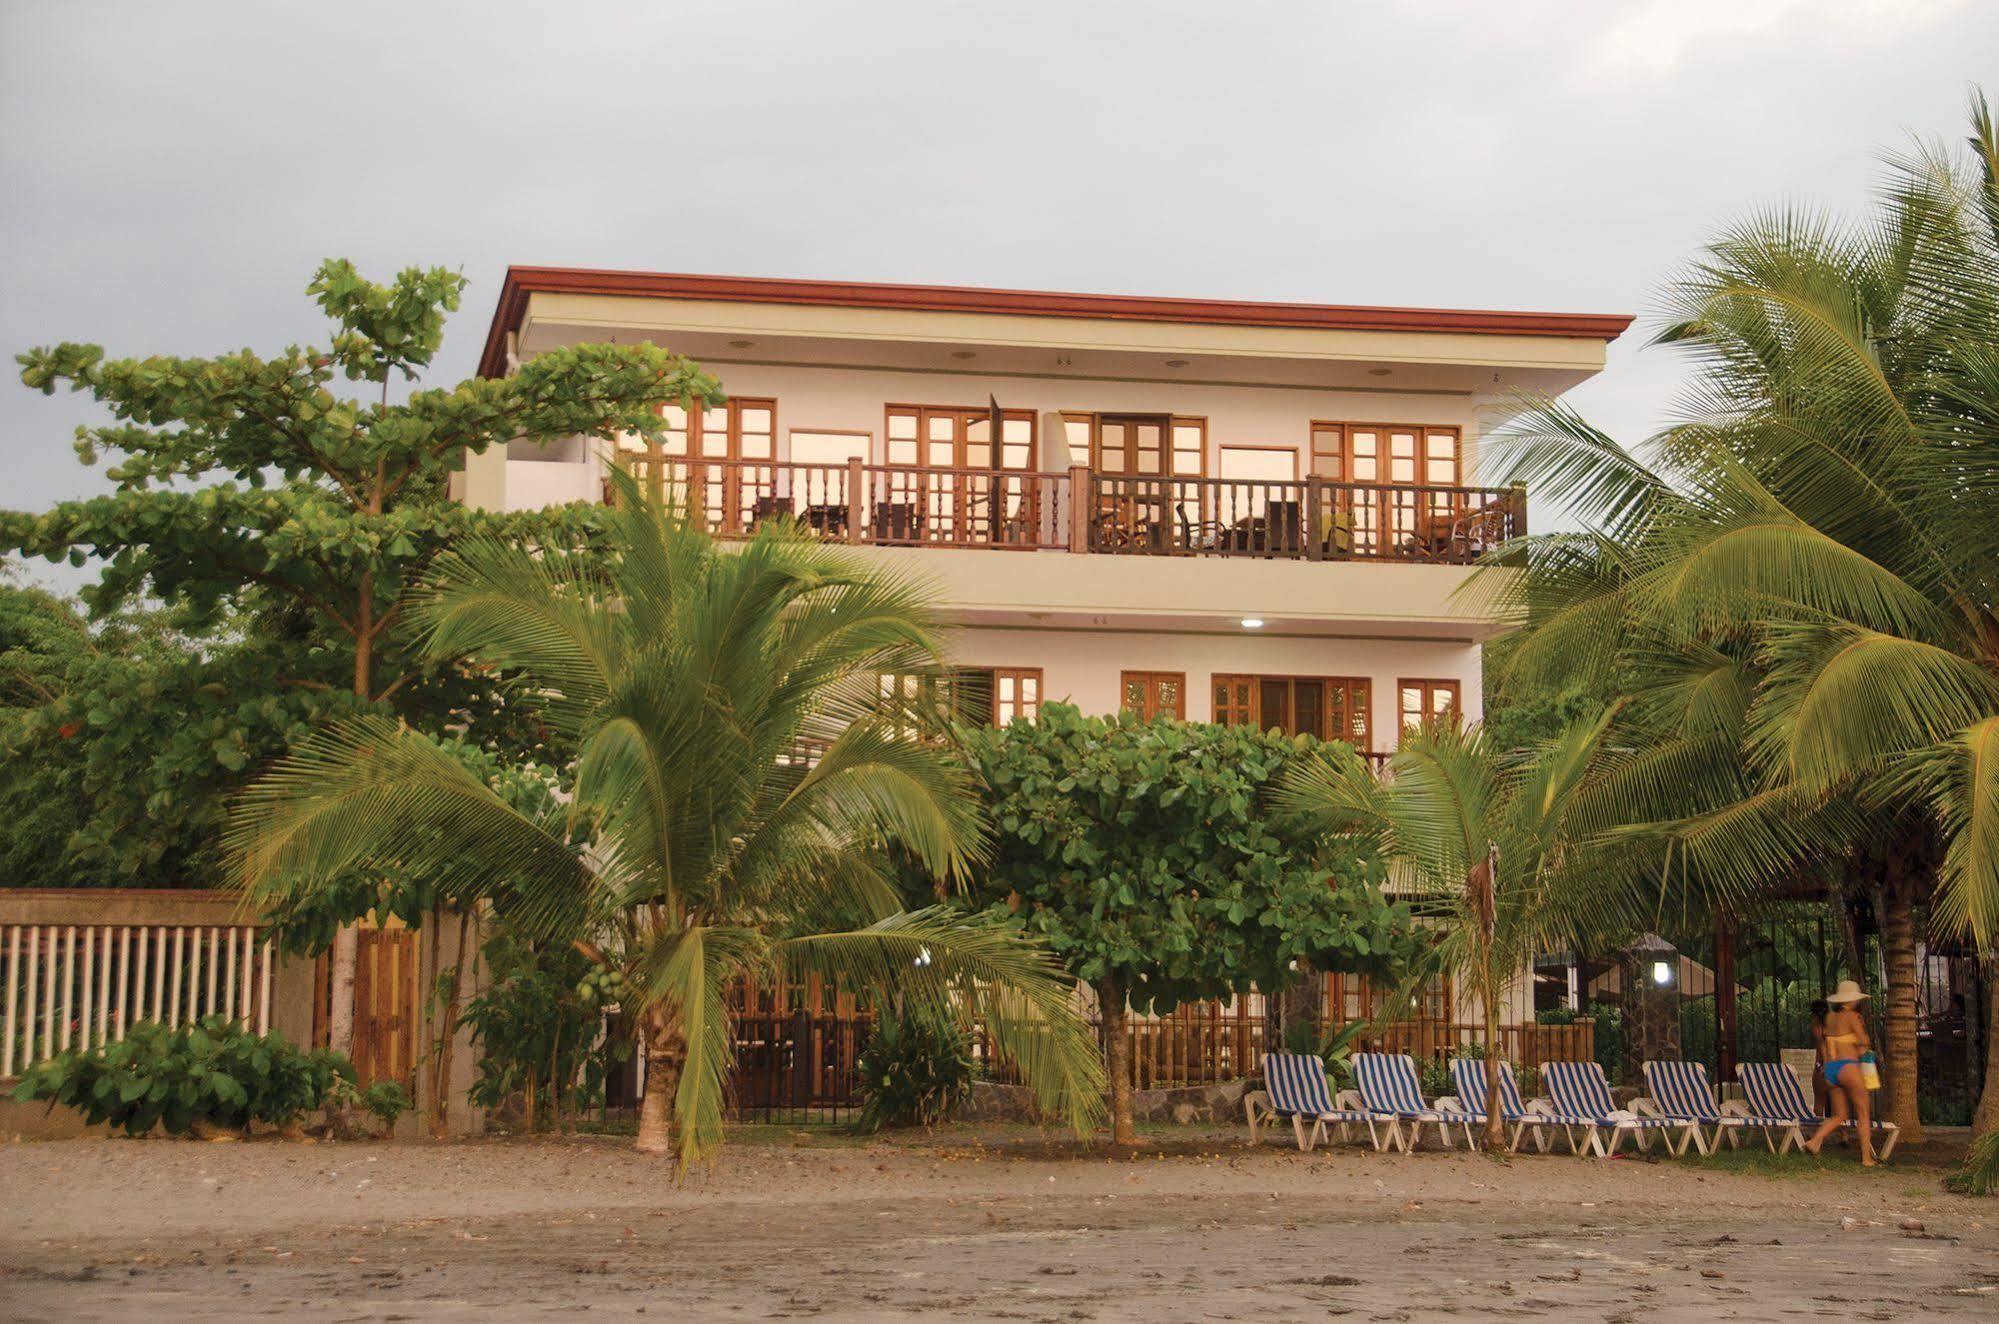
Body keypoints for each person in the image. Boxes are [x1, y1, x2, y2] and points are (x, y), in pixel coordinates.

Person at [1804, 980, 1879, 1165]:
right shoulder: (1852, 1016)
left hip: (1831, 1070)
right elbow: (1863, 1041)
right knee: (1863, 1112)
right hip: (1848, 1067)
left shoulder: (1830, 1018)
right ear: (1852, 999)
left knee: (1839, 1115)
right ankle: (1866, 1158)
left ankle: (1814, 1141)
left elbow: (1828, 1042)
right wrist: (1861, 1037)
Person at [1808, 999, 1833, 1120]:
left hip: (1821, 1065)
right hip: (1835, 1064)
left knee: (1818, 1101)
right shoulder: (1833, 1027)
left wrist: (1824, 1064)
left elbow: (1821, 1046)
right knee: (1838, 1104)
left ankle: (1817, 1132)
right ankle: (1843, 1135)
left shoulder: (1817, 1027)